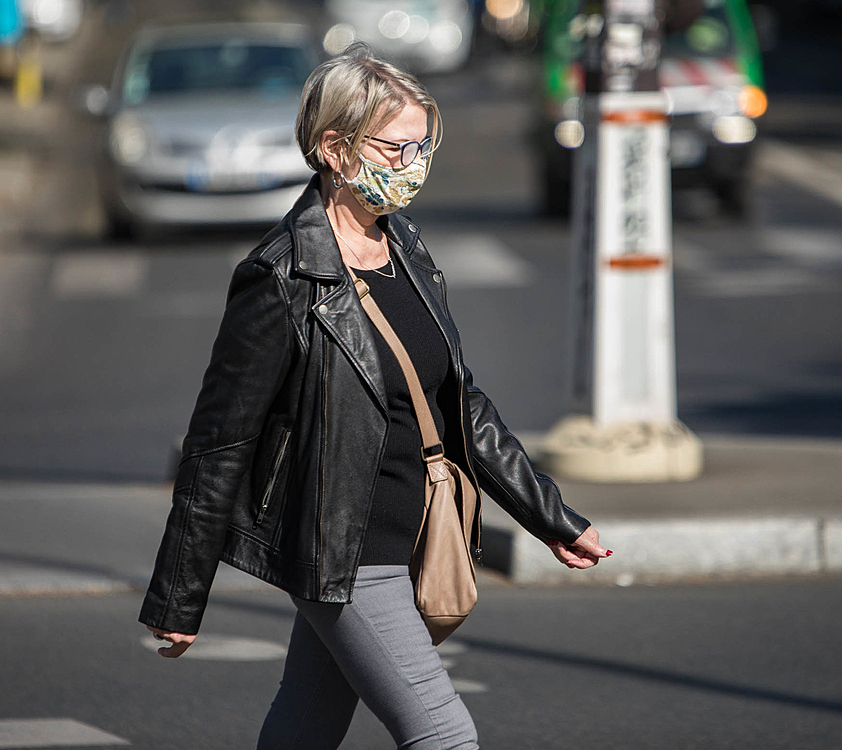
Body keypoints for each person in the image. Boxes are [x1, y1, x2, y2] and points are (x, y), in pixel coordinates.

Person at [139, 42, 611, 750]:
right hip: (345, 553)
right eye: (396, 148)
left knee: (305, 726)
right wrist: (180, 594)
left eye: (422, 146)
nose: (414, 164)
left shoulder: (404, 246)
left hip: (413, 535)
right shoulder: (281, 277)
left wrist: (551, 516)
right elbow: (219, 441)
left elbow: (459, 401)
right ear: (334, 147)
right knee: (446, 736)